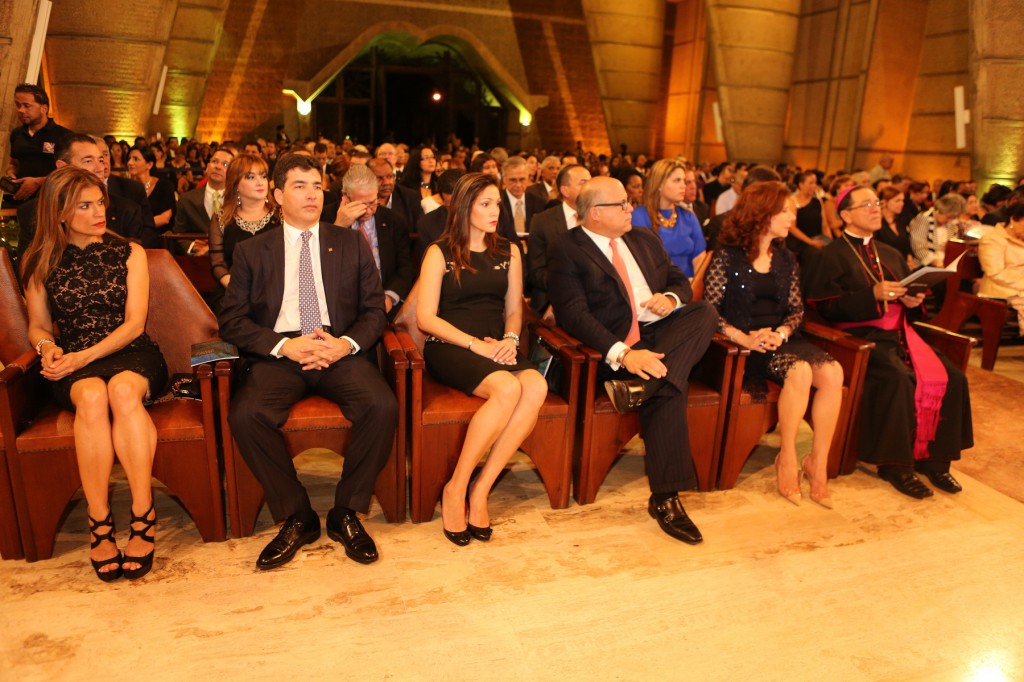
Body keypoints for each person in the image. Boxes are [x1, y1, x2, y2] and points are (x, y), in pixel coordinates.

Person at [218, 153, 396, 570]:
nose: (312, 194)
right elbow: (231, 320)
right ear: (278, 195)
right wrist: (283, 347)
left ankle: (346, 512)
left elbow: (374, 311)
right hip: (281, 354)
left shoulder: (349, 242)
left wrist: (345, 344)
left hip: (336, 348)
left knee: (381, 405)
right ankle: (297, 515)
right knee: (247, 415)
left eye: (317, 186)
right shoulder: (251, 251)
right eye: (300, 186)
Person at [549, 176, 718, 544]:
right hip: (612, 348)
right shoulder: (568, 248)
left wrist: (670, 298)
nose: (631, 209)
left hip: (664, 335)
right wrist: (625, 355)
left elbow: (680, 280)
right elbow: (573, 315)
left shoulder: (643, 237)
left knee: (704, 312)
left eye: (629, 202)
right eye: (622, 204)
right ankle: (666, 498)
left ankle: (642, 388)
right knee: (673, 387)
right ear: (594, 213)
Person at [20, 166, 168, 581]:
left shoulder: (130, 252)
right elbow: (38, 326)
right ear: (61, 213)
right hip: (73, 362)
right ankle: (99, 521)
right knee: (90, 397)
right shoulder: (39, 260)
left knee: (121, 392)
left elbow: (134, 325)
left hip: (131, 352)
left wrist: (81, 357)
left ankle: (143, 513)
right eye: (84, 205)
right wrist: (48, 349)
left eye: (99, 201)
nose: (98, 211)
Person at [802, 186, 973, 499]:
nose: (875, 209)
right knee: (898, 378)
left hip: (901, 333)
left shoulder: (891, 251)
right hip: (858, 339)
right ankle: (896, 466)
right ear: (845, 215)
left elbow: (910, 298)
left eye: (876, 203)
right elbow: (823, 308)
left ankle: (935, 463)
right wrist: (872, 296)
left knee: (953, 376)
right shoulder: (828, 256)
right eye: (866, 204)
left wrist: (912, 301)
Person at [416, 173, 547, 546]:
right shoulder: (438, 252)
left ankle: (481, 489)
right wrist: (478, 346)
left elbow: (513, 310)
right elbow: (426, 318)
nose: (495, 211)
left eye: (497, 204)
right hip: (452, 346)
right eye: (485, 204)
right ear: (463, 206)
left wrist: (508, 339)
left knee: (535, 384)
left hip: (497, 343)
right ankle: (456, 487)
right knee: (507, 388)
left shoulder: (509, 251)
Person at [705, 183, 843, 508]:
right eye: (784, 211)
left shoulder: (786, 258)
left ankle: (817, 461)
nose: (791, 216)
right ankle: (788, 457)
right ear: (761, 214)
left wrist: (781, 333)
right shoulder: (727, 257)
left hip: (781, 338)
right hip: (744, 345)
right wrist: (744, 337)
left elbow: (797, 310)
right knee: (799, 371)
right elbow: (710, 311)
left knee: (834, 372)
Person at [335, 164, 413, 318]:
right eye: (361, 205)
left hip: (385, 303)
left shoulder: (393, 221)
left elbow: (406, 268)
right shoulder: (327, 219)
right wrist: (339, 227)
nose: (369, 210)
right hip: (341, 305)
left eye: (372, 202)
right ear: (344, 197)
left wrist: (390, 296)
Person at [208, 152, 280, 302]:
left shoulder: (281, 216)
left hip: (276, 293)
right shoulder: (221, 218)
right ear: (235, 184)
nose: (260, 182)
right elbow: (218, 264)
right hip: (233, 292)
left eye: (263, 176)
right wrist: (238, 289)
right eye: (250, 177)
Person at [527, 164, 591, 316]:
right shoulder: (542, 221)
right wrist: (571, 285)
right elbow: (536, 271)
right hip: (554, 298)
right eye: (583, 183)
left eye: (590, 182)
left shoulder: (599, 216)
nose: (590, 187)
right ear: (565, 190)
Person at [632, 159, 707, 279]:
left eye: (683, 180)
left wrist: (692, 287)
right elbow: (640, 264)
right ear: (659, 184)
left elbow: (700, 260)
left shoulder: (688, 217)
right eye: (677, 180)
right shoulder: (640, 216)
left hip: (689, 285)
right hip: (657, 288)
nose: (684, 186)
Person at [6, 83, 73, 203]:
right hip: (23, 202)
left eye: (27, 106)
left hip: (54, 201)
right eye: (18, 105)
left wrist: (38, 182)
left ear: (44, 108)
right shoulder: (16, 134)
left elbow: (72, 171)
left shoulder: (64, 136)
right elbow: (14, 163)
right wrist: (11, 175)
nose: (21, 110)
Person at [172, 147, 236, 255]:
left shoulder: (238, 200)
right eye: (214, 161)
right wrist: (192, 246)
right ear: (207, 167)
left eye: (225, 164)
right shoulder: (186, 199)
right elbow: (177, 236)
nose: (218, 167)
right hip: (196, 261)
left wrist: (217, 248)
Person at [978, 202, 1024, 336]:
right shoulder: (992, 239)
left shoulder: (1021, 238)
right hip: (1001, 288)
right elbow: (994, 272)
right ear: (1013, 219)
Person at [909, 193, 968, 268]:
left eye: (954, 217)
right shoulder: (924, 219)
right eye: (948, 217)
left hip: (945, 264)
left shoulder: (953, 224)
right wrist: (937, 263)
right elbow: (918, 248)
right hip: (924, 266)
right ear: (941, 210)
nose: (950, 220)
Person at [126, 145, 176, 231]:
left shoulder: (164, 185)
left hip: (159, 235)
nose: (129, 163)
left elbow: (165, 218)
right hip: (132, 236)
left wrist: (137, 225)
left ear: (149, 165)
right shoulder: (125, 188)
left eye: (136, 159)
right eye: (129, 159)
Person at [788, 170, 829, 258]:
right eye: (810, 183)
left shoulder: (818, 201)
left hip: (817, 238)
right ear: (801, 184)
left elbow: (825, 225)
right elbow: (792, 227)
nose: (814, 186)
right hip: (799, 241)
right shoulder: (792, 201)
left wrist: (830, 241)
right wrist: (810, 242)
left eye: (815, 183)